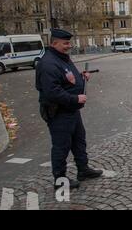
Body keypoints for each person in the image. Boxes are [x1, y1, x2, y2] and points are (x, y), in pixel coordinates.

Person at [36, 28, 102, 190]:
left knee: (79, 141)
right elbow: (52, 92)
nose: (69, 46)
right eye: (65, 43)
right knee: (61, 146)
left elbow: (66, 79)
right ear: (54, 43)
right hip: (58, 112)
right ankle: (60, 180)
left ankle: (83, 170)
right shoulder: (48, 63)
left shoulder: (62, 58)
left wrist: (81, 76)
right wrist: (75, 98)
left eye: (69, 43)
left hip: (71, 110)